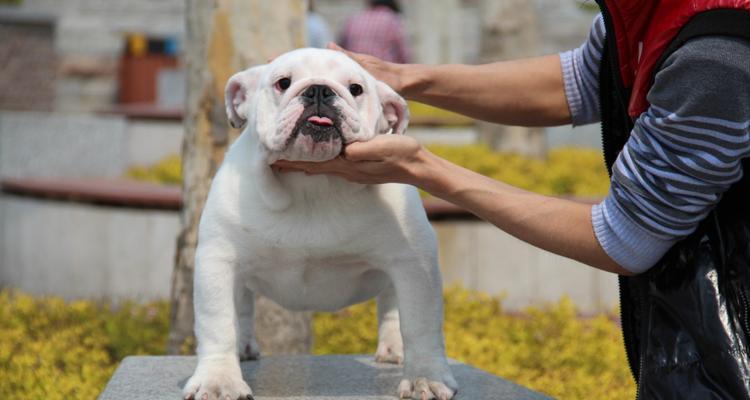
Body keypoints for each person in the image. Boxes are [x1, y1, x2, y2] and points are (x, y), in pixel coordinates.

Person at [276, 1, 750, 397]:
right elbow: (581, 81)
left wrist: (422, 169)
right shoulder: (645, 13)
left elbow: (625, 237)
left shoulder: (717, 57)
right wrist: (401, 77)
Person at [338, 0, 410, 63]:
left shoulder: (355, 18)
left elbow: (341, 46)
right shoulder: (392, 19)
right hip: (381, 71)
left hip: (356, 69)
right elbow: (403, 54)